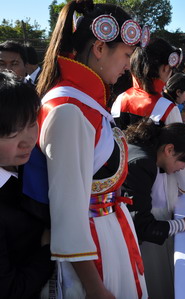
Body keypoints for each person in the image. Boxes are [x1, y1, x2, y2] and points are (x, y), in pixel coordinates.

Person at [25, 1, 148, 297]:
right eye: (127, 55)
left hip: (108, 233)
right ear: (99, 48)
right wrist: (94, 286)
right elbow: (67, 212)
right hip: (91, 252)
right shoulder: (67, 109)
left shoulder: (86, 103)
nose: (129, 65)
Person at [122, 119, 185, 299]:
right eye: (183, 161)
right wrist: (183, 224)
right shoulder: (141, 164)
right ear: (169, 150)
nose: (182, 168)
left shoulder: (146, 152)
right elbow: (142, 227)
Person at [0, 71, 54, 298]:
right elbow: (10, 290)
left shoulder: (33, 165)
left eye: (32, 124)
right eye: (12, 133)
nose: (28, 140)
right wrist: (47, 251)